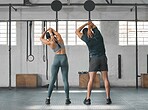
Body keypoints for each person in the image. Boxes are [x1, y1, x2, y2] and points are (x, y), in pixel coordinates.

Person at [75, 21, 112, 105]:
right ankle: (108, 98)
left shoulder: (86, 39)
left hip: (94, 59)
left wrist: (85, 24)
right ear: (92, 31)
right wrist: (89, 25)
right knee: (105, 78)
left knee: (91, 79)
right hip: (103, 58)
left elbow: (77, 31)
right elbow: (93, 25)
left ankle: (88, 99)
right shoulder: (98, 35)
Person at [40, 27, 71, 105]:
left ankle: (48, 99)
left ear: (48, 38)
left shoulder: (50, 42)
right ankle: (67, 99)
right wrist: (52, 30)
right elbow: (57, 34)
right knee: (65, 80)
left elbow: (41, 38)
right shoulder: (60, 38)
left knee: (52, 80)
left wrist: (46, 31)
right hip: (63, 57)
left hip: (56, 59)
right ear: (54, 35)